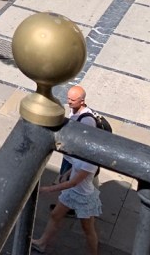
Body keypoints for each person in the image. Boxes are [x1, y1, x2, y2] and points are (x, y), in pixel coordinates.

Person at [31, 86, 102, 254]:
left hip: (83, 196)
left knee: (88, 230)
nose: (68, 102)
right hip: (73, 193)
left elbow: (75, 182)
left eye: (72, 99)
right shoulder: (82, 152)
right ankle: (41, 243)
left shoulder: (90, 159)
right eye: (68, 98)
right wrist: (67, 173)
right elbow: (76, 170)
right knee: (55, 216)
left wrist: (49, 189)